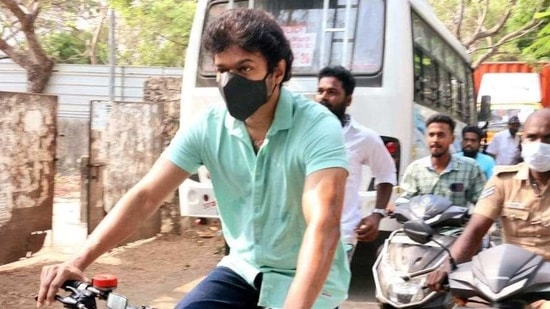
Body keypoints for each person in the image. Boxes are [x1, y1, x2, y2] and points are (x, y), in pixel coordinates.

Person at [37, 8, 351, 309]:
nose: (231, 82)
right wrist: (78, 261)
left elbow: (323, 223)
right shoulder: (208, 126)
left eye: (245, 68)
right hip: (243, 269)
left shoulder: (317, 126)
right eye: (222, 70)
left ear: (277, 71)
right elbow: (146, 196)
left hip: (307, 280)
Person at [427, 108, 550, 309]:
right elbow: (475, 229)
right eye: (532, 137)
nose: (539, 145)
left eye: (548, 138)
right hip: (510, 281)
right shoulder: (503, 180)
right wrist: (447, 266)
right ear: (523, 141)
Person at [314, 65, 396, 260]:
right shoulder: (298, 131)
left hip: (341, 235)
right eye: (320, 91)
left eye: (332, 92)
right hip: (297, 233)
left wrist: (377, 214)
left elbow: (386, 174)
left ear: (348, 99)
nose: (323, 97)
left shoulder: (364, 137)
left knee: (330, 291)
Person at [399, 114, 486, 206]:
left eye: (441, 135)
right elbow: (405, 199)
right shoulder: (415, 168)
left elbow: (483, 202)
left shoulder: (470, 168)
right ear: (426, 138)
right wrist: (397, 205)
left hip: (457, 220)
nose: (435, 140)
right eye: (431, 135)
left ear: (452, 139)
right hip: (421, 220)